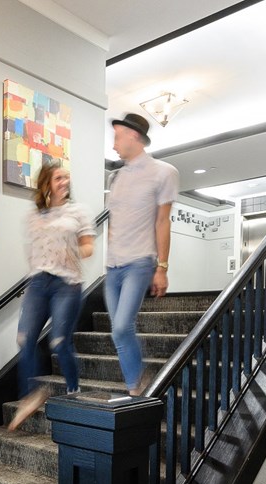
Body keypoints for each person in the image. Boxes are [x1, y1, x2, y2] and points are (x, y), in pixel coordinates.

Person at [8, 161, 95, 431]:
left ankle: (73, 390)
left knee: (59, 341)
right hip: (39, 282)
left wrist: (75, 253)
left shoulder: (78, 212)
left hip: (66, 283)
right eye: (58, 178)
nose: (64, 182)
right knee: (24, 338)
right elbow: (32, 249)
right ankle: (32, 394)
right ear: (46, 183)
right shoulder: (35, 215)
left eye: (67, 177)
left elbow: (88, 247)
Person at [105, 112, 180, 396]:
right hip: (112, 267)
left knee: (122, 326)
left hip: (139, 262)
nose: (113, 145)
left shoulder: (164, 172)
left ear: (133, 136)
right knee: (119, 331)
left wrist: (162, 267)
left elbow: (163, 221)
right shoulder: (116, 177)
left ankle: (137, 387)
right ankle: (135, 385)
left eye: (117, 137)